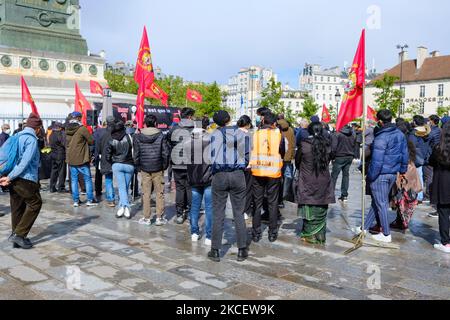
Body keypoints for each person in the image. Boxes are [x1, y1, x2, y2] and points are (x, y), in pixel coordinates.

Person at [354, 110, 409, 243]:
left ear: (379, 121)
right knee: (377, 201)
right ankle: (364, 227)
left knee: (381, 203)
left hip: (381, 174)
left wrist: (371, 176)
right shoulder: (399, 134)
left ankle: (385, 233)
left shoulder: (381, 137)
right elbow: (404, 154)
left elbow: (377, 160)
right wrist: (402, 170)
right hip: (392, 173)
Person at [208, 110, 250, 263]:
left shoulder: (213, 135)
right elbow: (246, 155)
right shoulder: (241, 134)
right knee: (238, 213)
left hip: (219, 175)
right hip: (238, 174)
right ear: (229, 119)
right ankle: (242, 249)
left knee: (218, 213)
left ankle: (215, 250)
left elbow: (210, 156)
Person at [0, 113, 43, 249]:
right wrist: (11, 176)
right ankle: (19, 235)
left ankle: (16, 236)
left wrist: (9, 176)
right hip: (25, 178)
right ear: (37, 128)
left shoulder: (17, 135)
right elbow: (24, 163)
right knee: (35, 203)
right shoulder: (31, 139)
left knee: (17, 207)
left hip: (14, 178)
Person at [295, 122, 335, 244]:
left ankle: (309, 235)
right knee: (321, 205)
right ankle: (320, 234)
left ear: (309, 131)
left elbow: (297, 162)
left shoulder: (304, 145)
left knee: (309, 206)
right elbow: (330, 159)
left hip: (307, 179)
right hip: (323, 180)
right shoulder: (327, 145)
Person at [250, 112, 285, 243]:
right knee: (273, 202)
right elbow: (282, 151)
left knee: (257, 203)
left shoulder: (256, 134)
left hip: (258, 171)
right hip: (273, 171)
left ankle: (256, 233)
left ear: (263, 121)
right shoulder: (278, 135)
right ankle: (272, 232)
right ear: (274, 123)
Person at [134, 115, 170, 226]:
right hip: (158, 168)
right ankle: (159, 217)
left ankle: (146, 218)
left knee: (146, 193)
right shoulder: (161, 136)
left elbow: (136, 154)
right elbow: (165, 153)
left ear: (145, 123)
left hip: (144, 168)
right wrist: (164, 166)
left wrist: (138, 166)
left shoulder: (138, 136)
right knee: (159, 193)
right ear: (155, 123)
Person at [186, 117, 213, 245]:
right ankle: (209, 235)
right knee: (209, 207)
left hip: (194, 177)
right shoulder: (210, 139)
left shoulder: (187, 141)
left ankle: (194, 232)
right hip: (208, 178)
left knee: (195, 207)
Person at [167, 107, 196, 224]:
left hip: (177, 162)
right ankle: (190, 213)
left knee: (180, 188)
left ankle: (180, 213)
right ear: (189, 116)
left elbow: (168, 141)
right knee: (190, 188)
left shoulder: (174, 128)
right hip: (191, 163)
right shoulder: (195, 129)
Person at [66, 111, 97, 207]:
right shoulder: (82, 129)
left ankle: (76, 201)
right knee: (87, 179)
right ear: (79, 118)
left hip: (71, 158)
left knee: (74, 180)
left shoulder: (67, 128)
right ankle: (90, 200)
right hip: (82, 158)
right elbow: (91, 141)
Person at [106, 120, 134, 219]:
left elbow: (107, 156)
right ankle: (123, 208)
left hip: (117, 164)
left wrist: (113, 162)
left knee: (122, 188)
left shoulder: (111, 139)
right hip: (129, 165)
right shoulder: (129, 137)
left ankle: (124, 207)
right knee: (124, 187)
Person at [429, 122, 450, 253]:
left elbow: (430, 161)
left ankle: (446, 242)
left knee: (443, 213)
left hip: (443, 184)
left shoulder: (438, 148)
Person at [408, 115, 432, 204]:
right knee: (420, 176)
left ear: (414, 122)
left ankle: (417, 196)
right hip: (424, 156)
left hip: (415, 157)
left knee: (416, 177)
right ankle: (420, 195)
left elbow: (411, 146)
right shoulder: (427, 131)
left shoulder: (414, 133)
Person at [331, 125, 357, 202]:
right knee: (346, 175)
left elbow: (334, 147)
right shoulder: (353, 133)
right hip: (349, 156)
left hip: (339, 156)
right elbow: (355, 145)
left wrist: (332, 157)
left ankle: (331, 194)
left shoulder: (337, 134)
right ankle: (344, 195)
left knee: (334, 176)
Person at [237, 115, 253, 220]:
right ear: (248, 124)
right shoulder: (250, 135)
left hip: (236, 165)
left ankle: (238, 210)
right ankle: (246, 211)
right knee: (247, 189)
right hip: (248, 165)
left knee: (238, 190)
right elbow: (251, 150)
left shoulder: (233, 133)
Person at [425, 115, 441, 216]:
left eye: (429, 121)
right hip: (438, 156)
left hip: (432, 156)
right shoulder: (440, 130)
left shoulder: (432, 131)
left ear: (432, 121)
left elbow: (428, 142)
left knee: (431, 178)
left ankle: (431, 198)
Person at [277, 118, 295, 207]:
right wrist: (291, 156)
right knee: (287, 177)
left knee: (278, 179)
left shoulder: (276, 129)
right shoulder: (291, 130)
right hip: (287, 159)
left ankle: (279, 198)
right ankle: (285, 196)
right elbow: (293, 144)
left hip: (277, 158)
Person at [98, 116, 116, 207]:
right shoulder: (118, 132)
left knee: (108, 179)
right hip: (118, 158)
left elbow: (99, 147)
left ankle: (111, 199)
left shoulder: (102, 133)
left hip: (106, 158)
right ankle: (120, 198)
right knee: (121, 180)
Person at [48, 122, 67, 193]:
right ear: (59, 128)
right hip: (60, 155)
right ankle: (61, 187)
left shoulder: (51, 134)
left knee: (54, 171)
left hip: (53, 154)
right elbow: (64, 144)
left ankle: (52, 187)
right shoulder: (60, 134)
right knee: (62, 171)